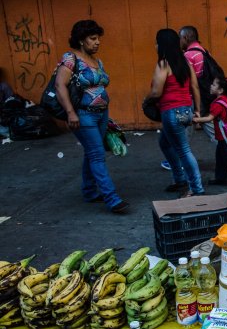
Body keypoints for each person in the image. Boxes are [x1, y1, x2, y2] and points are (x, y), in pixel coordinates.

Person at [55, 20, 128, 213]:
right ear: (81, 40)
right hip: (83, 115)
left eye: (98, 39)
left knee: (91, 152)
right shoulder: (71, 59)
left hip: (102, 115)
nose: (97, 42)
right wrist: (71, 113)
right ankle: (112, 199)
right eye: (92, 39)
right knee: (97, 154)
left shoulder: (98, 61)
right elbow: (59, 85)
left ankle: (88, 191)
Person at [145, 28, 204, 198]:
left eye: (157, 43)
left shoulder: (163, 64)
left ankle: (197, 188)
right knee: (165, 142)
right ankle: (179, 179)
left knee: (183, 150)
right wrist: (197, 111)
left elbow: (156, 92)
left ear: (162, 44)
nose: (155, 46)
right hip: (186, 110)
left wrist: (145, 100)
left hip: (171, 112)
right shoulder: (185, 62)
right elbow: (194, 87)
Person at [160, 25, 217, 171]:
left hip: (192, 98)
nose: (179, 41)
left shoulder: (188, 56)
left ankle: (180, 161)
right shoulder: (204, 51)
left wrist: (195, 105)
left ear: (185, 38)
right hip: (206, 96)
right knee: (209, 129)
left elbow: (192, 83)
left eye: (180, 38)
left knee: (184, 135)